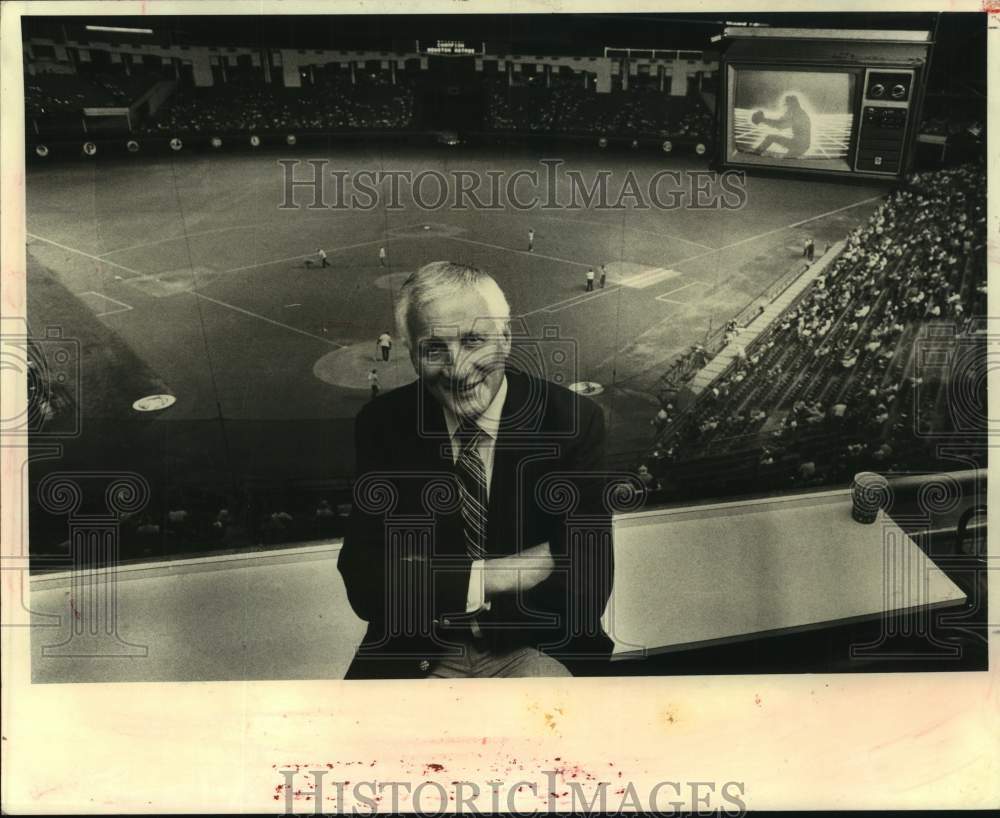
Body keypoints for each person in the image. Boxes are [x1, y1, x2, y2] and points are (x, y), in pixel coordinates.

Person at [338, 261, 614, 679]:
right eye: (434, 348)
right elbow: (364, 580)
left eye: (473, 341)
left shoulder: (571, 422)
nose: (458, 367)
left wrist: (428, 581)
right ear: (412, 356)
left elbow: (586, 588)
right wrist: (493, 576)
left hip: (533, 645)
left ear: (505, 339)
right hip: (417, 650)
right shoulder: (382, 424)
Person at [753, 94, 812, 159]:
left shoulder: (797, 114)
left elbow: (780, 125)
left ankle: (756, 153)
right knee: (786, 159)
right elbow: (780, 122)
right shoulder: (797, 112)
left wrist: (763, 120)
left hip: (799, 145)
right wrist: (763, 120)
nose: (787, 107)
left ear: (793, 104)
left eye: (787, 104)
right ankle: (757, 152)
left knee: (770, 138)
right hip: (800, 144)